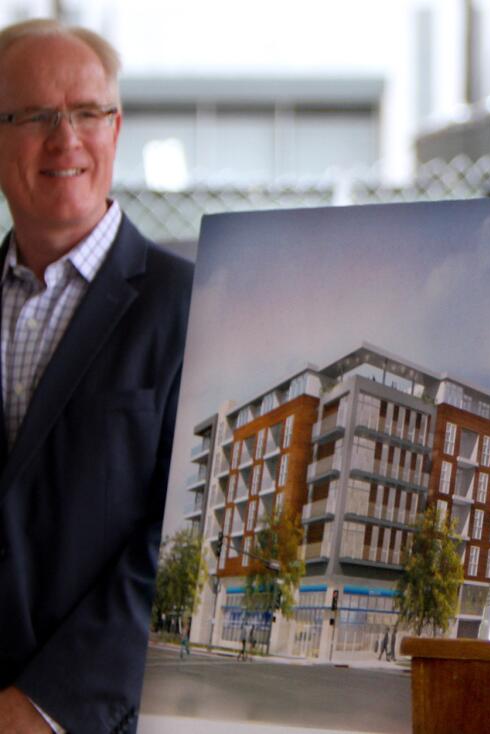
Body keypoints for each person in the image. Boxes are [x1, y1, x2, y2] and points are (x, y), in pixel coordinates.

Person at [0, 18, 192, 732]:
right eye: (35, 116)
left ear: (116, 129)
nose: (65, 139)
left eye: (87, 112)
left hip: (94, 719)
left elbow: (176, 545)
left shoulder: (187, 305)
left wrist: (43, 707)